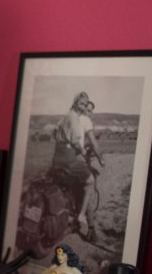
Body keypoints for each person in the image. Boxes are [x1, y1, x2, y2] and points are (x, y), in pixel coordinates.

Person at [51, 91, 103, 242]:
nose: (89, 111)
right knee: (89, 185)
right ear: (80, 106)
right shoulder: (84, 120)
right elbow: (88, 142)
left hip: (58, 157)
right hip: (73, 157)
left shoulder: (66, 117)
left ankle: (73, 219)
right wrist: (99, 157)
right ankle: (91, 228)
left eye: (89, 108)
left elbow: (57, 133)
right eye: (87, 107)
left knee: (72, 187)